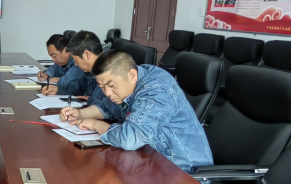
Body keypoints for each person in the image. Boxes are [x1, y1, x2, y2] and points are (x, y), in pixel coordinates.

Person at [62, 50, 213, 175]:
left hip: (184, 173)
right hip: (150, 160)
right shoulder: (130, 79)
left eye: (111, 85)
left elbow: (129, 139)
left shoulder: (157, 91)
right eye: (102, 87)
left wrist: (95, 124)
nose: (107, 92)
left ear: (132, 75)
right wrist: (81, 114)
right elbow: (108, 108)